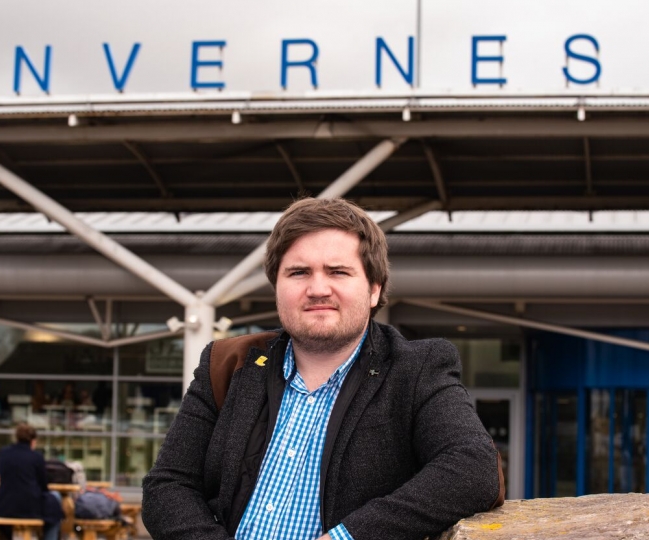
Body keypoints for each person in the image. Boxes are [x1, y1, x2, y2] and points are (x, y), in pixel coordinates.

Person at [142, 197, 503, 540]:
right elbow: (168, 486)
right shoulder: (228, 364)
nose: (317, 289)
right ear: (277, 287)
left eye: (338, 272)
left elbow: (473, 468)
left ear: (374, 289)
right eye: (298, 272)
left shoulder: (415, 369)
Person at [0, 423, 64, 540]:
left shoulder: (3, 453)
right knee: (55, 505)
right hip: (29, 508)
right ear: (33, 440)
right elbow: (43, 485)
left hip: (4, 507)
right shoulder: (36, 457)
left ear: (16, 438)